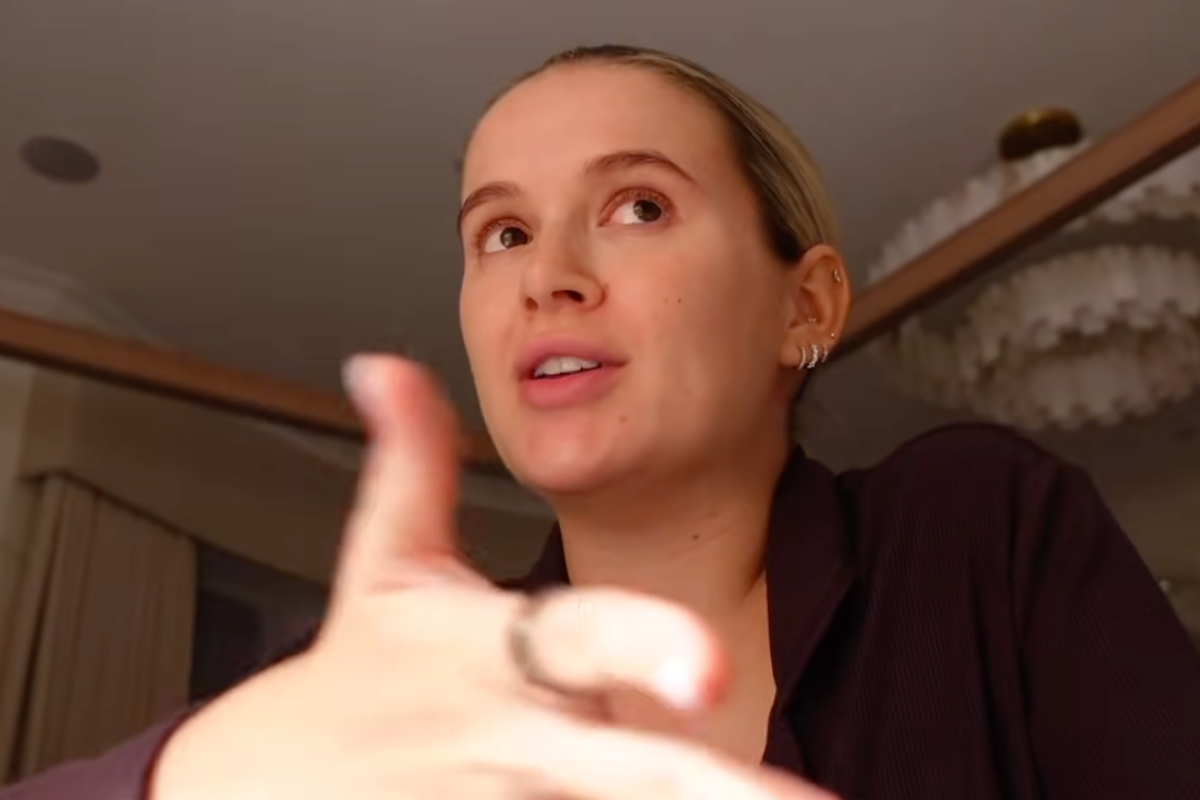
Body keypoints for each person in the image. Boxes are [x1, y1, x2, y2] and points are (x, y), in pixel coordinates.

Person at [4, 44, 1200, 800]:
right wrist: (198, 775)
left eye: (637, 206)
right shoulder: (398, 680)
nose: (547, 276)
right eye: (502, 233)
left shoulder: (976, 527)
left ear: (805, 305)